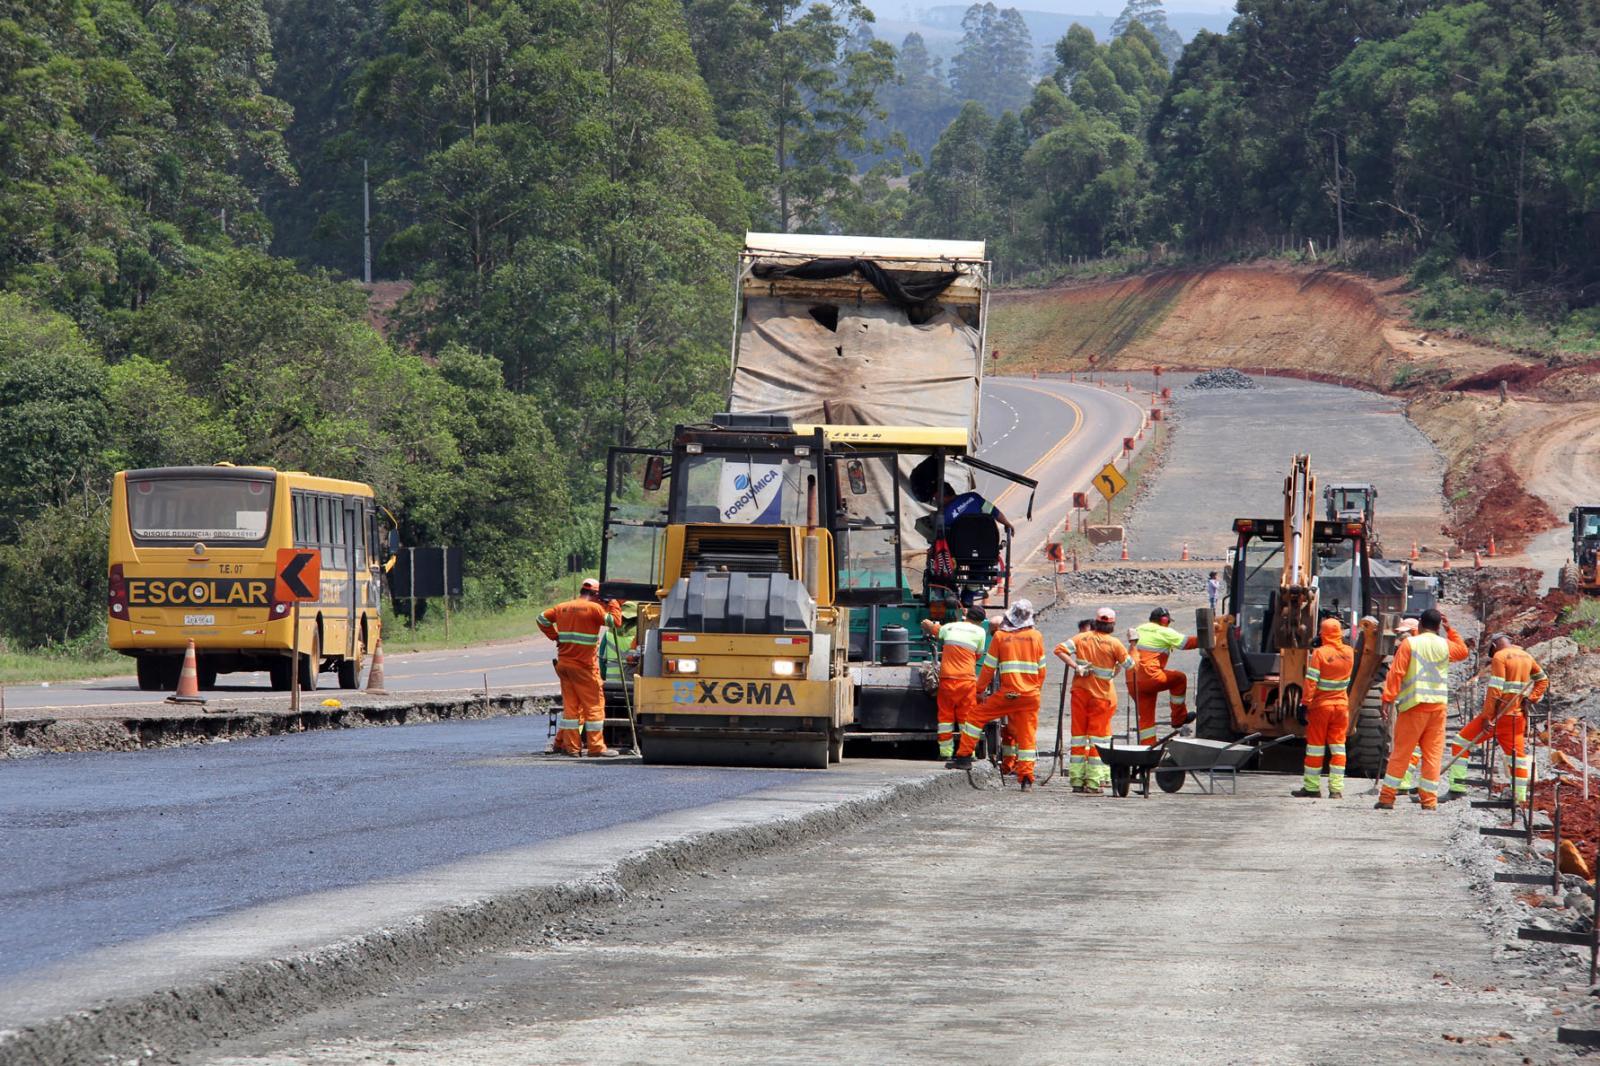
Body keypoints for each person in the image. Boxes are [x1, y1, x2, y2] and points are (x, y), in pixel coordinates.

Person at [1375, 607, 1469, 810]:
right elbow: (1463, 652)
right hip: (1438, 708)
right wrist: (1450, 629)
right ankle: (1429, 800)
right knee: (1433, 755)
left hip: (1414, 706)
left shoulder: (1410, 643)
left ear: (1420, 624)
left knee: (1402, 753)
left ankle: (1387, 798)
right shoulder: (1445, 645)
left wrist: (1387, 699)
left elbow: (1396, 673)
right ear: (1438, 626)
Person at [947, 599, 1046, 790]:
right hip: (1030, 695)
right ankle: (1026, 778)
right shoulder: (1036, 636)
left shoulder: (1000, 636)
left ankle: (964, 757)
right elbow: (1042, 670)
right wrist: (1035, 691)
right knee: (1027, 734)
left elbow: (988, 668)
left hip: (1008, 694)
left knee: (975, 716)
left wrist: (978, 690)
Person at [1444, 633, 1549, 803]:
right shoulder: (1526, 656)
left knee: (1460, 743)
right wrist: (1531, 698)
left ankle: (1457, 787)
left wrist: (1487, 717)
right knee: (1516, 758)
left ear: (1494, 646)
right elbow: (1543, 680)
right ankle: (1519, 796)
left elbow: (1495, 689)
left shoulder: (1500, 657)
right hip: (1517, 717)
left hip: (1498, 716)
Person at [538, 578, 625, 757]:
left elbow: (541, 619)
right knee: (594, 706)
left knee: (571, 707)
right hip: (584, 667)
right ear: (596, 595)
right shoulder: (594, 609)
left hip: (564, 665)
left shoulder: (562, 607)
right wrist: (613, 602)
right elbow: (615, 622)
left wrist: (555, 636)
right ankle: (596, 748)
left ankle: (571, 748)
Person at [1054, 606, 1133, 793]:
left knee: (1078, 738)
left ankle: (1076, 780)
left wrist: (1076, 666)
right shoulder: (1114, 644)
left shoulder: (1082, 638)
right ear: (1112, 625)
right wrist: (1133, 645)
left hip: (1080, 694)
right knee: (1098, 740)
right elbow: (1129, 665)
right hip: (1101, 697)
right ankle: (1094, 782)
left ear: (1096, 622)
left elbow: (1059, 650)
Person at [1291, 617, 1355, 799]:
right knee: (1338, 748)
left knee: (1315, 748)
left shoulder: (1319, 654)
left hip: (1321, 708)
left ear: (1323, 633)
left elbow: (1311, 682)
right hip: (1341, 707)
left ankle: (1312, 788)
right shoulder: (1350, 652)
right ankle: (1336, 790)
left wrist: (1304, 704)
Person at [921, 606, 990, 760]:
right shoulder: (980, 632)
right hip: (967, 681)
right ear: (980, 621)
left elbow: (935, 630)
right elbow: (978, 655)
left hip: (947, 679)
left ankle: (945, 753)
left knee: (945, 718)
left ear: (966, 616)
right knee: (967, 718)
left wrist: (928, 624)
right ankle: (968, 753)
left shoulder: (950, 627)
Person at [1126, 607, 1199, 744]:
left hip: (1132, 680)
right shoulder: (1164, 631)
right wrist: (1210, 638)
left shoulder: (1139, 628)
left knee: (1146, 718)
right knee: (1179, 679)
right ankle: (1178, 718)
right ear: (1164, 620)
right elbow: (1187, 643)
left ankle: (1147, 748)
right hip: (1150, 677)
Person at [940, 482, 1016, 539]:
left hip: (961, 551)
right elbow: (993, 511)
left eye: (936, 498)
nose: (936, 502)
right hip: (986, 546)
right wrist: (1007, 524)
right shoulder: (974, 497)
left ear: (942, 496)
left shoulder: (945, 515)